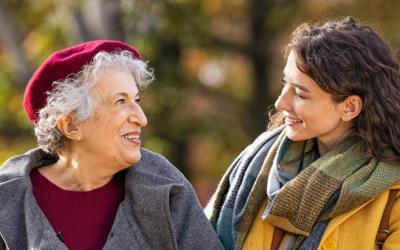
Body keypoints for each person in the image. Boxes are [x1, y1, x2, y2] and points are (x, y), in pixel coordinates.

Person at [0, 40, 223, 249]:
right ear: (71, 126)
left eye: (136, 100)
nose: (141, 119)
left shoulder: (165, 186)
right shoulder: (8, 199)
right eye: (120, 102)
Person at [206, 17, 400, 250]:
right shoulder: (257, 165)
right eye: (284, 83)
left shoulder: (393, 196)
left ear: (349, 107)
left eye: (300, 94)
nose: (280, 103)